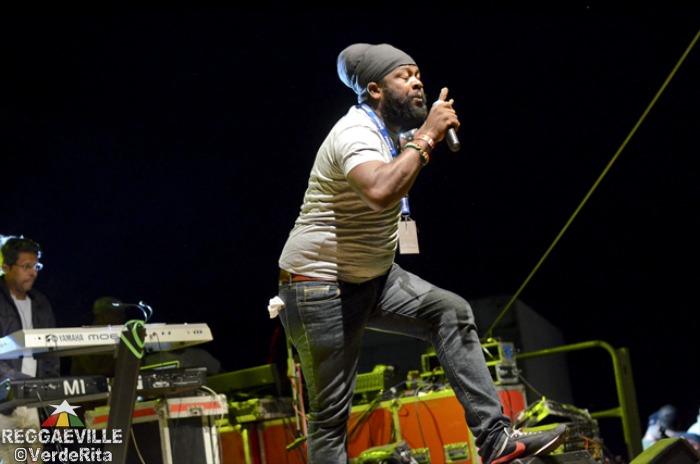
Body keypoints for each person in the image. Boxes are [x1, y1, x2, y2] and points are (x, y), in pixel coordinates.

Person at [274, 43, 568, 463]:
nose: (417, 83)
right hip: (319, 286)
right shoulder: (355, 133)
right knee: (330, 417)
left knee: (451, 313)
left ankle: (496, 439)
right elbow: (380, 190)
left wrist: (419, 138)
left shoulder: (389, 132)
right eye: (404, 76)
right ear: (375, 89)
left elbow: (402, 160)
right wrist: (428, 135)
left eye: (418, 75)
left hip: (374, 277)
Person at [0, 235, 60, 463]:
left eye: (36, 266)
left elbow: (51, 354)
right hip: (4, 404)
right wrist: (19, 382)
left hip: (32, 401)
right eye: (26, 266)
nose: (33, 272)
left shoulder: (41, 303)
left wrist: (51, 395)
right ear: (6, 268)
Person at [70, 296, 126, 377]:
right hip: (92, 383)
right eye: (117, 313)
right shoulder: (85, 337)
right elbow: (98, 371)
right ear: (103, 314)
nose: (122, 317)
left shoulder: (117, 335)